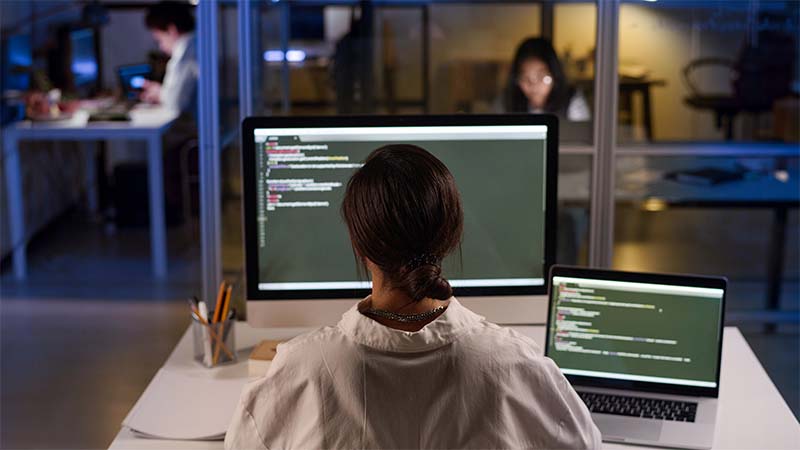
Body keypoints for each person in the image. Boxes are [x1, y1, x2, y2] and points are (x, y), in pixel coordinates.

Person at [225, 144, 601, 449]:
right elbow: (584, 443)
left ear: (360, 246)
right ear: (452, 236)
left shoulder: (302, 368)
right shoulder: (514, 362)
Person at [504, 37, 590, 121]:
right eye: (525, 78)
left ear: (555, 76)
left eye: (541, 77)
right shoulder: (507, 102)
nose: (533, 85)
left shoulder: (573, 102)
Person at [141, 0, 197, 116]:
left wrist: (159, 93)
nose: (161, 48)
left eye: (159, 40)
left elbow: (175, 102)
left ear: (172, 30)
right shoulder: (197, 43)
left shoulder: (185, 53)